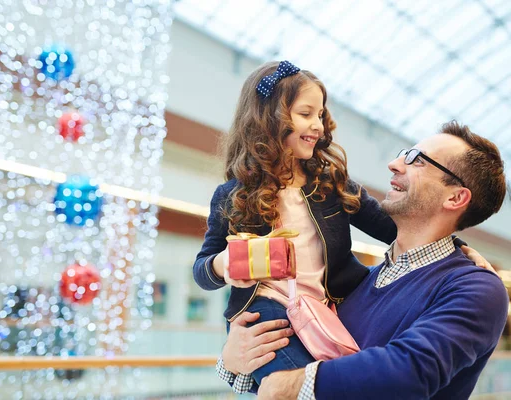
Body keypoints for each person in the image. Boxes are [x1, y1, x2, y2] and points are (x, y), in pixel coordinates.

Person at [192, 61, 489, 388]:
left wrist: (457, 249)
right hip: (268, 313)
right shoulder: (232, 195)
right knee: (287, 384)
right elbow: (202, 268)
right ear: (269, 118)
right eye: (305, 114)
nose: (317, 125)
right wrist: (222, 265)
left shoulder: (332, 183)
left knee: (324, 384)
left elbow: (393, 226)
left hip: (324, 312)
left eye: (320, 115)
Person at [218, 121, 509, 399]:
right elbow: (300, 367)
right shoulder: (354, 282)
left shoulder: (477, 289)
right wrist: (234, 360)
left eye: (418, 160)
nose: (394, 164)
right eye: (404, 155)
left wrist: (283, 387)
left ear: (456, 198)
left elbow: (408, 372)